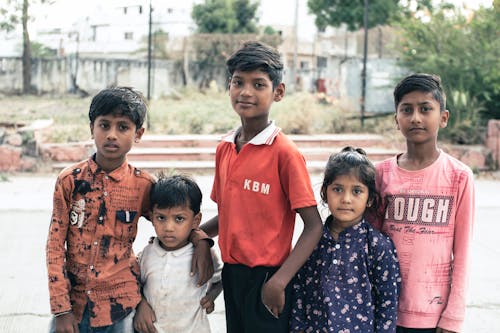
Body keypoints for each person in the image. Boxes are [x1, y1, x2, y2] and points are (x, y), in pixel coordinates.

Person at [46, 87, 213, 333]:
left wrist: (200, 241)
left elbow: (174, 221)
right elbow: (54, 246)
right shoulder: (70, 181)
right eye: (104, 125)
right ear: (92, 128)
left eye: (123, 127)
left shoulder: (143, 186)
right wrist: (61, 309)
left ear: (138, 134)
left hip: (121, 305)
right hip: (74, 305)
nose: (112, 135)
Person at [200, 40, 323, 333]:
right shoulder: (225, 149)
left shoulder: (285, 153)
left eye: (258, 84)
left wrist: (279, 281)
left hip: (269, 278)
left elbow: (314, 226)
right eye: (237, 82)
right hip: (232, 275)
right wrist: (197, 236)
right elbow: (228, 215)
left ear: (278, 92)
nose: (245, 92)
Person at [373, 73, 475, 333]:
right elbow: (369, 243)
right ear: (396, 120)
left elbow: (462, 253)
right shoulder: (381, 174)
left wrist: (453, 316)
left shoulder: (459, 176)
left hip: (433, 312)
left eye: (425, 109)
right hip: (385, 308)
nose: (416, 118)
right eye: (407, 110)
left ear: (443, 117)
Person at [290, 147, 401, 333]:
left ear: (370, 199)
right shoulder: (311, 242)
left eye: (356, 191)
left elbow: (387, 305)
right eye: (338, 189)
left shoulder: (377, 245)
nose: (346, 199)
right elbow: (299, 294)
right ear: (325, 193)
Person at [137, 174, 223, 333]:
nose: (169, 227)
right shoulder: (146, 255)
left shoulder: (203, 254)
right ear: (151, 217)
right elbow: (136, 285)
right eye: (161, 217)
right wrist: (141, 305)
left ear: (196, 221)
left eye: (179, 219)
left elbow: (220, 279)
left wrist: (210, 297)